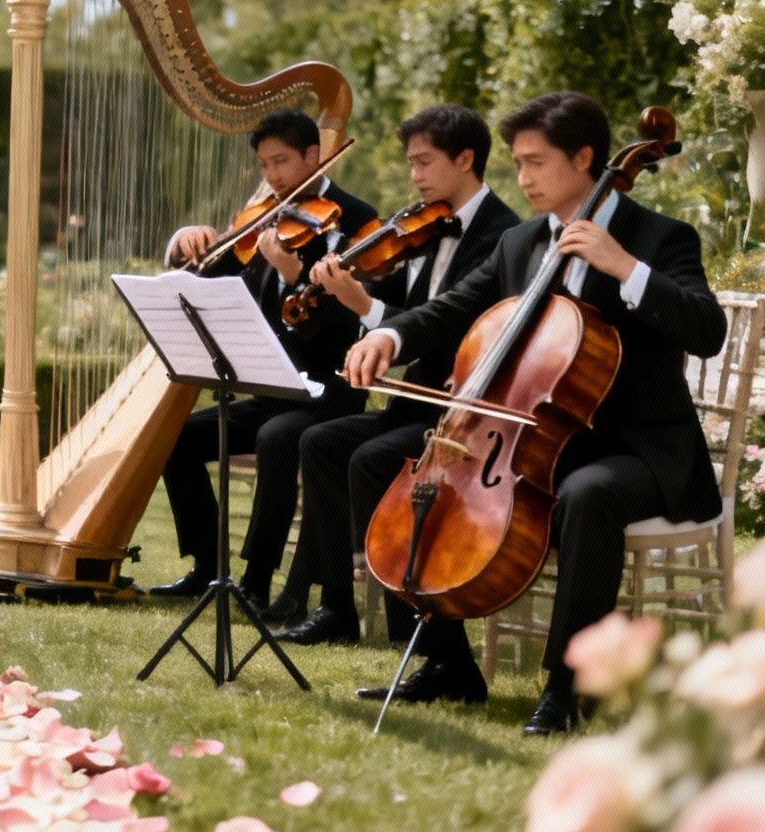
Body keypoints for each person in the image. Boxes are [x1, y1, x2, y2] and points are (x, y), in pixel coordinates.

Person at [340, 91, 725, 735]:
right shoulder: (521, 242)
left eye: (536, 162)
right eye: (516, 163)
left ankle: (567, 685)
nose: (522, 179)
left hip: (635, 447)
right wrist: (392, 336)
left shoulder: (658, 236)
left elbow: (707, 329)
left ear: (585, 158)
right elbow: (453, 308)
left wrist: (624, 267)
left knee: (587, 494)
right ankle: (446, 664)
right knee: (380, 462)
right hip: (535, 437)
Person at [266, 103, 520, 635]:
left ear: (467, 158)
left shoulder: (503, 237)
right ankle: (336, 608)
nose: (415, 176)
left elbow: (449, 328)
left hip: (460, 415)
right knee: (320, 442)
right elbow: (396, 310)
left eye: (424, 162)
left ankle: (416, 631)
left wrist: (364, 306)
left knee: (369, 457)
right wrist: (338, 294)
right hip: (413, 404)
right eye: (411, 164)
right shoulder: (421, 227)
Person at [150, 110, 377, 604]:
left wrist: (295, 273)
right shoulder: (260, 219)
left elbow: (349, 324)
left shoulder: (356, 220)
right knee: (177, 439)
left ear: (313, 157)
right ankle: (209, 568)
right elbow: (203, 279)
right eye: (264, 165)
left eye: (282, 162)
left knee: (276, 438)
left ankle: (254, 582)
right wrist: (185, 242)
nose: (272, 176)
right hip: (270, 386)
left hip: (327, 395)